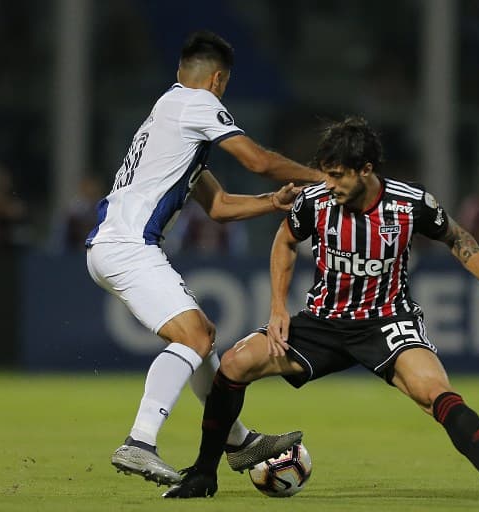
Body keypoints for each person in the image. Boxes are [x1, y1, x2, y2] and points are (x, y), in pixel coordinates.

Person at [164, 117, 479, 500]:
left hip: (386, 322)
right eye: (326, 174)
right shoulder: (315, 201)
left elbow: (456, 236)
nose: (330, 183)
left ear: (366, 170)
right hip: (323, 322)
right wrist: (278, 307)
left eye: (339, 176)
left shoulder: (410, 204)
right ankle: (204, 474)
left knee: (434, 391)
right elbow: (285, 241)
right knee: (234, 363)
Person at [85, 31, 322, 486]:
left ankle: (237, 439)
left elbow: (218, 206)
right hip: (129, 245)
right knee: (196, 336)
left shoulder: (170, 120)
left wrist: (273, 202)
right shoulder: (197, 104)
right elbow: (257, 159)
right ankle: (139, 442)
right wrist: (322, 177)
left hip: (116, 245)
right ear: (218, 80)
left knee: (201, 337)